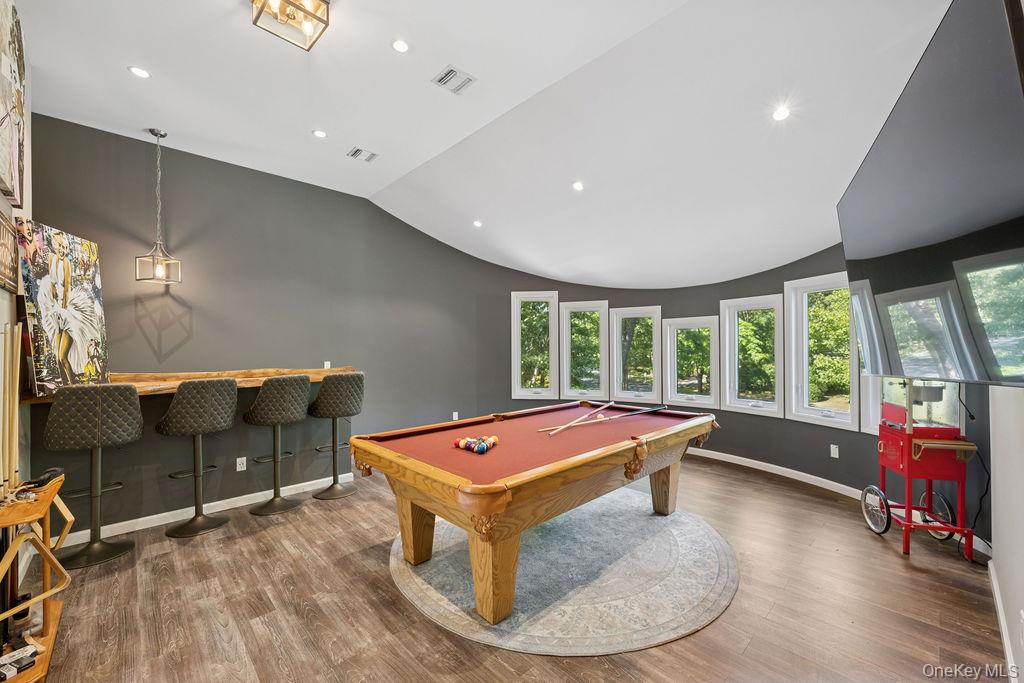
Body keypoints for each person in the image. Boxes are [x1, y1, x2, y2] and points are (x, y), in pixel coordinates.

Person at [36, 231, 101, 385]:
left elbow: (67, 288)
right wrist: (53, 304)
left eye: (65, 247)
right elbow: (52, 283)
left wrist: (63, 309)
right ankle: (66, 388)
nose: (63, 250)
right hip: (55, 312)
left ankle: (72, 386)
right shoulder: (51, 259)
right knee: (58, 358)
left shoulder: (66, 263)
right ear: (54, 245)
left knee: (62, 357)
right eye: (60, 246)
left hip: (66, 313)